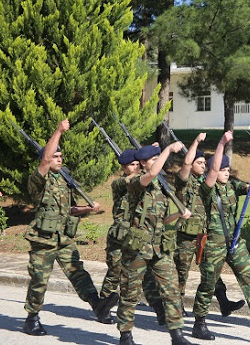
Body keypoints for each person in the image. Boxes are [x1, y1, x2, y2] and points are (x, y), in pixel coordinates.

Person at [23, 119, 119, 336]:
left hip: (63, 238)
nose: (59, 159)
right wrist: (58, 130)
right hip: (44, 239)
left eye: (60, 156)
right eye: (55, 156)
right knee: (40, 279)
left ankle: (98, 306)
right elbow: (46, 159)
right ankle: (32, 318)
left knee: (79, 273)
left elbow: (69, 210)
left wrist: (88, 209)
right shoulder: (38, 180)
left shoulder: (64, 181)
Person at [191, 131, 250, 340]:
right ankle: (199, 323)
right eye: (222, 169)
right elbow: (213, 169)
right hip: (213, 244)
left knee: (248, 276)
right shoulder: (206, 188)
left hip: (234, 242)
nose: (225, 172)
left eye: (227, 169)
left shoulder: (233, 186)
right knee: (208, 284)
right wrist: (222, 142)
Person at [116, 141, 194, 345]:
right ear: (142, 163)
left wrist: (179, 213)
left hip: (160, 248)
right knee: (130, 293)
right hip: (137, 248)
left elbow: (163, 219)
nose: (159, 162)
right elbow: (150, 175)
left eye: (158, 158)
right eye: (154, 159)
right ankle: (125, 335)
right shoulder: (135, 182)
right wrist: (167, 150)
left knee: (171, 290)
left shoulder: (162, 187)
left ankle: (177, 335)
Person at [173, 133, 244, 317]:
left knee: (211, 272)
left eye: (205, 163)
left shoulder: (206, 183)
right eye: (200, 162)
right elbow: (187, 164)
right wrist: (195, 142)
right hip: (187, 235)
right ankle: (176, 304)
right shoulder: (184, 181)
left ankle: (223, 301)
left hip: (204, 234)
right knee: (182, 272)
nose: (203, 165)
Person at [99, 148, 167, 325]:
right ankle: (103, 305)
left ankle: (158, 308)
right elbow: (131, 181)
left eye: (138, 164)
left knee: (145, 274)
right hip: (119, 236)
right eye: (132, 165)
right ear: (123, 167)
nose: (136, 167)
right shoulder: (120, 183)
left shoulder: (142, 183)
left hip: (136, 236)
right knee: (115, 271)